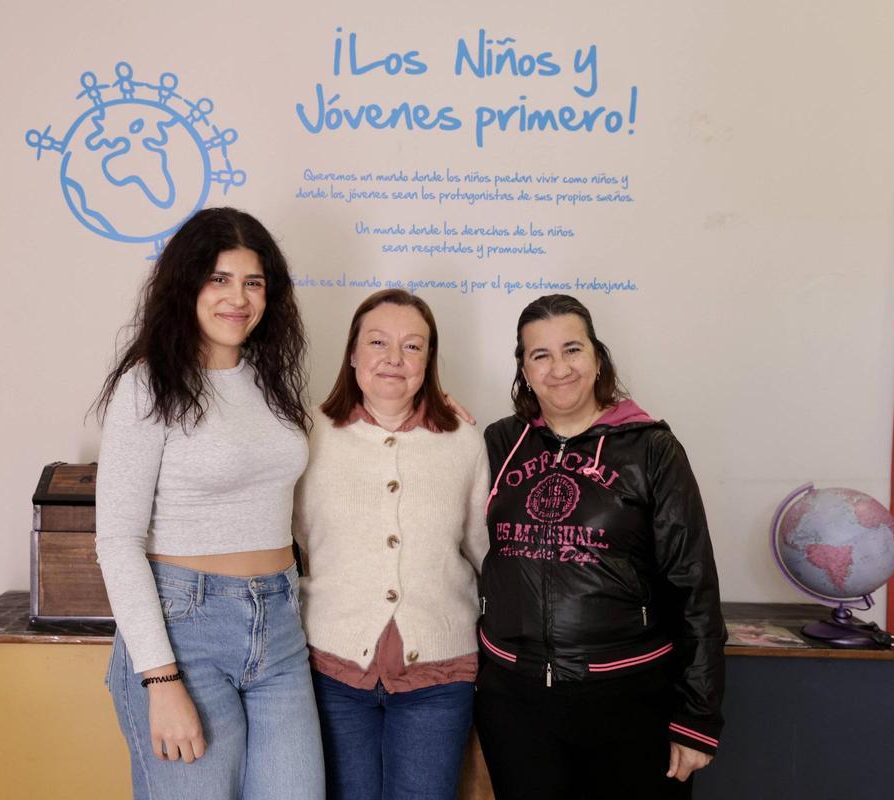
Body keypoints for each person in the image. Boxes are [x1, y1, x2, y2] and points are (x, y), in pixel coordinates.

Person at [94, 207, 324, 800]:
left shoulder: (271, 380)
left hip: (279, 626)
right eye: (219, 279)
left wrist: (424, 409)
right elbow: (117, 540)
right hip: (183, 632)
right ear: (187, 284)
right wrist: (160, 679)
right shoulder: (147, 385)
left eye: (253, 282)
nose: (238, 299)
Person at [474, 294, 725, 799]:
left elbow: (693, 583)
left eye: (572, 349)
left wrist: (698, 715)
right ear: (524, 370)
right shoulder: (499, 443)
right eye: (540, 355)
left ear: (597, 357)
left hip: (629, 697)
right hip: (516, 702)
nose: (559, 368)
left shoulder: (651, 447)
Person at [293, 289, 490, 800]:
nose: (394, 359)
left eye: (412, 346)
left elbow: (484, 550)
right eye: (378, 342)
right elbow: (294, 539)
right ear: (352, 353)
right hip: (332, 671)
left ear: (429, 361)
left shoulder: (464, 440)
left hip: (439, 676)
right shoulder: (307, 434)